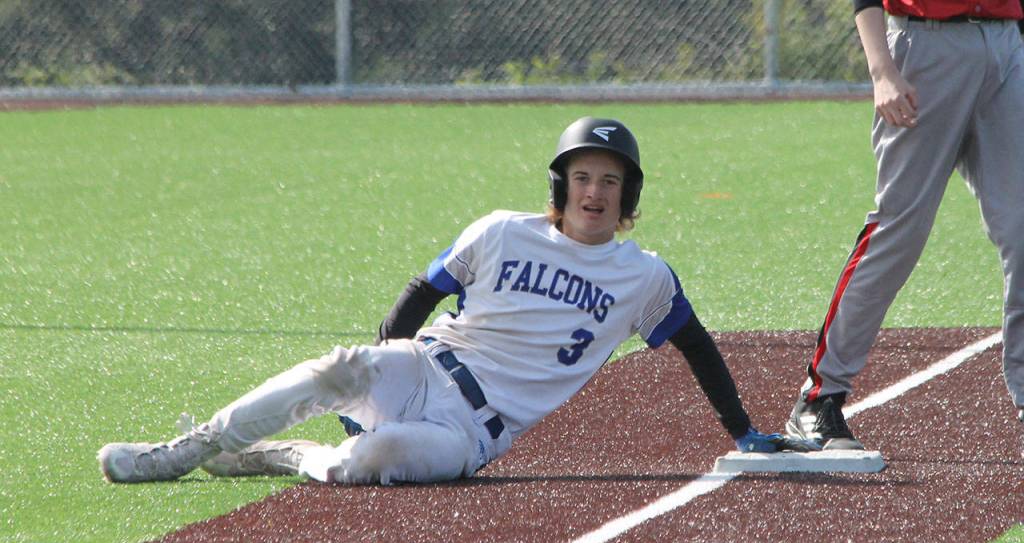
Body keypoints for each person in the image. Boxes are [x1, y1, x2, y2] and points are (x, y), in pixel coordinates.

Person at [98, 116, 810, 486]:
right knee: (337, 369)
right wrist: (380, 362)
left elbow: (697, 347)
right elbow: (421, 294)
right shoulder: (501, 230)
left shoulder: (645, 276)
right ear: (561, 188)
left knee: (366, 466)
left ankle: (284, 457)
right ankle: (185, 451)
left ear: (629, 199)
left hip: (474, 434)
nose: (595, 192)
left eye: (611, 182)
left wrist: (741, 430)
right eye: (583, 177)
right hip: (428, 365)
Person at [785, 1, 1024, 452]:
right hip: (925, 49)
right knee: (899, 232)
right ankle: (820, 397)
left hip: (1007, 45)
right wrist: (881, 70)